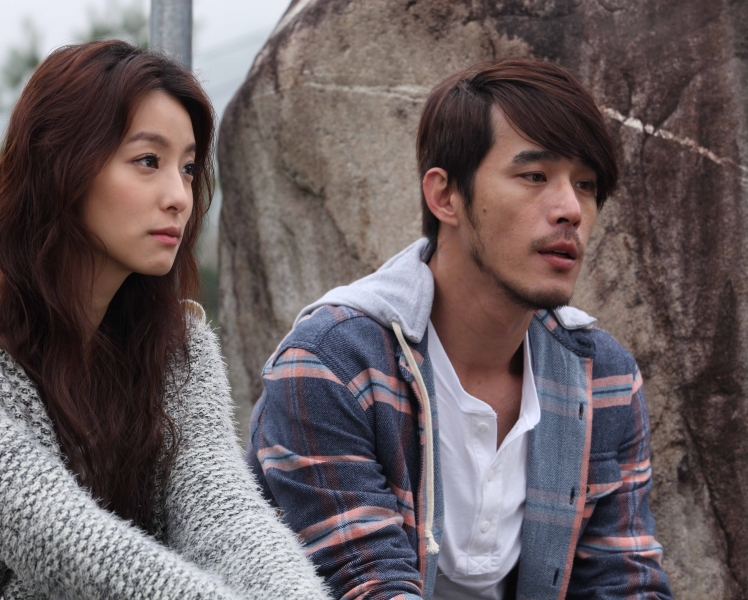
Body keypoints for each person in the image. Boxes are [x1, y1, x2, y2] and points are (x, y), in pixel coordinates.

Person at [0, 40, 329, 600]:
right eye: (147, 161)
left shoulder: (178, 345)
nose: (179, 196)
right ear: (62, 164)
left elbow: (223, 511)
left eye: (188, 167)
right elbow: (54, 537)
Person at [247, 59, 673, 600]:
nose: (571, 209)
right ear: (445, 196)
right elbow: (365, 584)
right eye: (534, 176)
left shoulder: (603, 377)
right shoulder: (333, 365)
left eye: (585, 185)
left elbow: (624, 582)